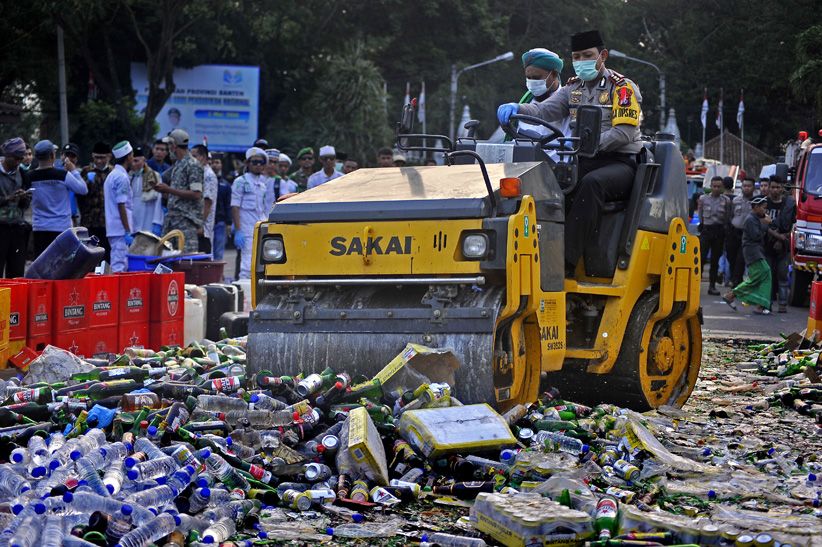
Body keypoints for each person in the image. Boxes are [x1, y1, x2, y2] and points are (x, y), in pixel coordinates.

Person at [497, 29, 643, 277]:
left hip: (621, 163)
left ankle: (563, 264)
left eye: (588, 55)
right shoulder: (572, 88)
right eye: (576, 57)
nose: (581, 61)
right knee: (546, 181)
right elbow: (543, 111)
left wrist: (587, 146)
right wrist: (516, 108)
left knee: (590, 184)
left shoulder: (623, 88)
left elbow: (623, 134)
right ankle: (527, 254)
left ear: (603, 56)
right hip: (582, 159)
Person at [27, 139, 87, 256]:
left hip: (40, 228)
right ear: (52, 155)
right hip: (61, 228)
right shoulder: (62, 175)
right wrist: (74, 170)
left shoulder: (30, 177)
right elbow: (83, 189)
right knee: (62, 265)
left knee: (42, 264)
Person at [509, 48, 569, 161]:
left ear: (554, 74)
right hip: (522, 166)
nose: (532, 82)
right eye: (528, 78)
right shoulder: (525, 102)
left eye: (536, 78)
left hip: (556, 168)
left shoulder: (567, 102)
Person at [155, 129, 204, 252]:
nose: (168, 149)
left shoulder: (193, 165)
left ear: (174, 145)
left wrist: (169, 190)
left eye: (169, 145)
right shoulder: (178, 164)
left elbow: (196, 194)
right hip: (172, 220)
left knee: (185, 260)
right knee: (166, 257)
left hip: (185, 222)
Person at [723, 196, 772, 314]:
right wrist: (765, 225)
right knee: (761, 273)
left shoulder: (754, 219)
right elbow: (756, 236)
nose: (765, 211)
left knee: (765, 274)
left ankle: (761, 304)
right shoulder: (750, 219)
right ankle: (731, 295)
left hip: (756, 251)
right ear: (755, 207)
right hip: (752, 252)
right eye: (763, 208)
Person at [231, 147, 269, 279]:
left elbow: (264, 207)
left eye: (261, 162)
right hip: (246, 226)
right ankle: (245, 293)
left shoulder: (263, 183)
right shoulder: (240, 182)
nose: (258, 165)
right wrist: (238, 229)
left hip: (261, 224)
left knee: (262, 260)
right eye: (255, 162)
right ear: (248, 163)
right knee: (247, 263)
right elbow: (235, 206)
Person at [0, 137, 32, 277]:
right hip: (0, 229)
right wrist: (7, 199)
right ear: (7, 156)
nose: (19, 162)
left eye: (21, 158)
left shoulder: (23, 175)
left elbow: (25, 206)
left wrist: (24, 198)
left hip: (17, 228)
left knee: (16, 274)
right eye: (16, 158)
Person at [764, 176, 795, 313]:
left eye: (777, 187)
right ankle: (767, 303)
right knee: (768, 275)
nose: (775, 190)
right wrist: (778, 237)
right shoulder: (764, 203)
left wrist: (783, 239)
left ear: (782, 188)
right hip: (767, 245)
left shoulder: (789, 205)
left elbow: (794, 225)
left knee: (783, 275)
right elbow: (762, 224)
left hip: (784, 247)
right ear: (769, 188)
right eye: (773, 187)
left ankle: (782, 304)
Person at [78, 142, 112, 261]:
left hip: (108, 222)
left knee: (107, 257)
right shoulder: (86, 171)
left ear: (109, 156)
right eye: (96, 157)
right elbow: (80, 195)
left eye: (102, 157)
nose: (99, 161)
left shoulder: (113, 172)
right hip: (90, 221)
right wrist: (88, 181)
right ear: (92, 156)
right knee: (90, 257)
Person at [104, 141, 135, 273]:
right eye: (132, 155)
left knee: (119, 263)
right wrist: (127, 230)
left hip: (115, 228)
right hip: (120, 230)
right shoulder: (121, 177)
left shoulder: (113, 175)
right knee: (119, 266)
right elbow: (121, 205)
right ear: (128, 157)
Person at [698, 176, 731, 295]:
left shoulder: (726, 200)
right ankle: (697, 284)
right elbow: (700, 213)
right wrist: (702, 225)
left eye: (719, 186)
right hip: (706, 230)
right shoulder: (703, 199)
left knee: (715, 260)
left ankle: (712, 286)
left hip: (719, 231)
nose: (716, 188)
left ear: (722, 187)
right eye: (714, 186)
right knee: (701, 258)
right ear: (711, 187)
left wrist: (724, 229)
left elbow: (727, 216)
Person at [727, 177, 755, 287]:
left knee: (741, 259)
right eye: (744, 186)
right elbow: (730, 215)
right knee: (731, 257)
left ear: (753, 188)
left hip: (747, 234)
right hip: (734, 232)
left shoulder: (756, 202)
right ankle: (733, 278)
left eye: (749, 186)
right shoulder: (735, 200)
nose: (746, 188)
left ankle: (736, 282)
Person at [191, 144, 217, 254]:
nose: (191, 159)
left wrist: (200, 225)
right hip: (195, 226)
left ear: (203, 157)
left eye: (194, 156)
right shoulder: (198, 173)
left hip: (203, 230)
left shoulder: (208, 176)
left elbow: (208, 202)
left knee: (202, 264)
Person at [212, 153, 232, 261]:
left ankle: (218, 275)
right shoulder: (204, 180)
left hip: (220, 222)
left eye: (217, 162)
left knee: (219, 251)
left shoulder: (225, 185)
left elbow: (228, 205)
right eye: (212, 163)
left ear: (221, 165)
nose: (214, 165)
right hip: (207, 222)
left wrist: (229, 223)